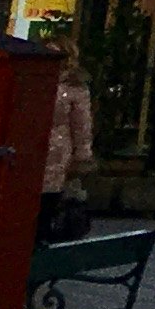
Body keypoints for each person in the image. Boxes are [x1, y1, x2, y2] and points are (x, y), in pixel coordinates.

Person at [38, 42, 98, 244]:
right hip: (39, 154)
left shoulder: (74, 88)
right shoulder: (38, 80)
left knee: (47, 205)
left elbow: (82, 126)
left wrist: (82, 158)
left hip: (56, 157)